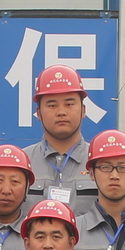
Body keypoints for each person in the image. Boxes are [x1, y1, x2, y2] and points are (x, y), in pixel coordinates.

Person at [29, 65, 98, 214]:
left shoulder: (101, 163)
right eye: (52, 105)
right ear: (39, 113)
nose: (61, 112)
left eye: (69, 104)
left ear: (83, 110)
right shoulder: (23, 163)